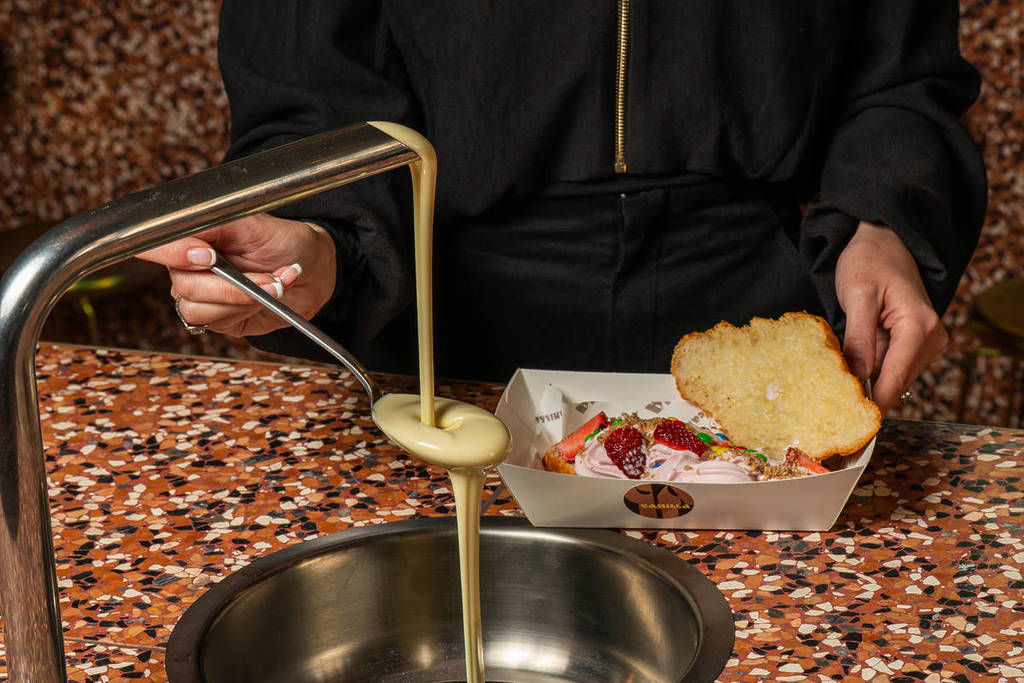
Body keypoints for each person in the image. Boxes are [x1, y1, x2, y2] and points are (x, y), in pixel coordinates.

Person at [140, 1, 986, 416]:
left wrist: (884, 220)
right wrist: (319, 235)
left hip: (758, 329)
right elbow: (307, 91)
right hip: (434, 338)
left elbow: (903, 78)